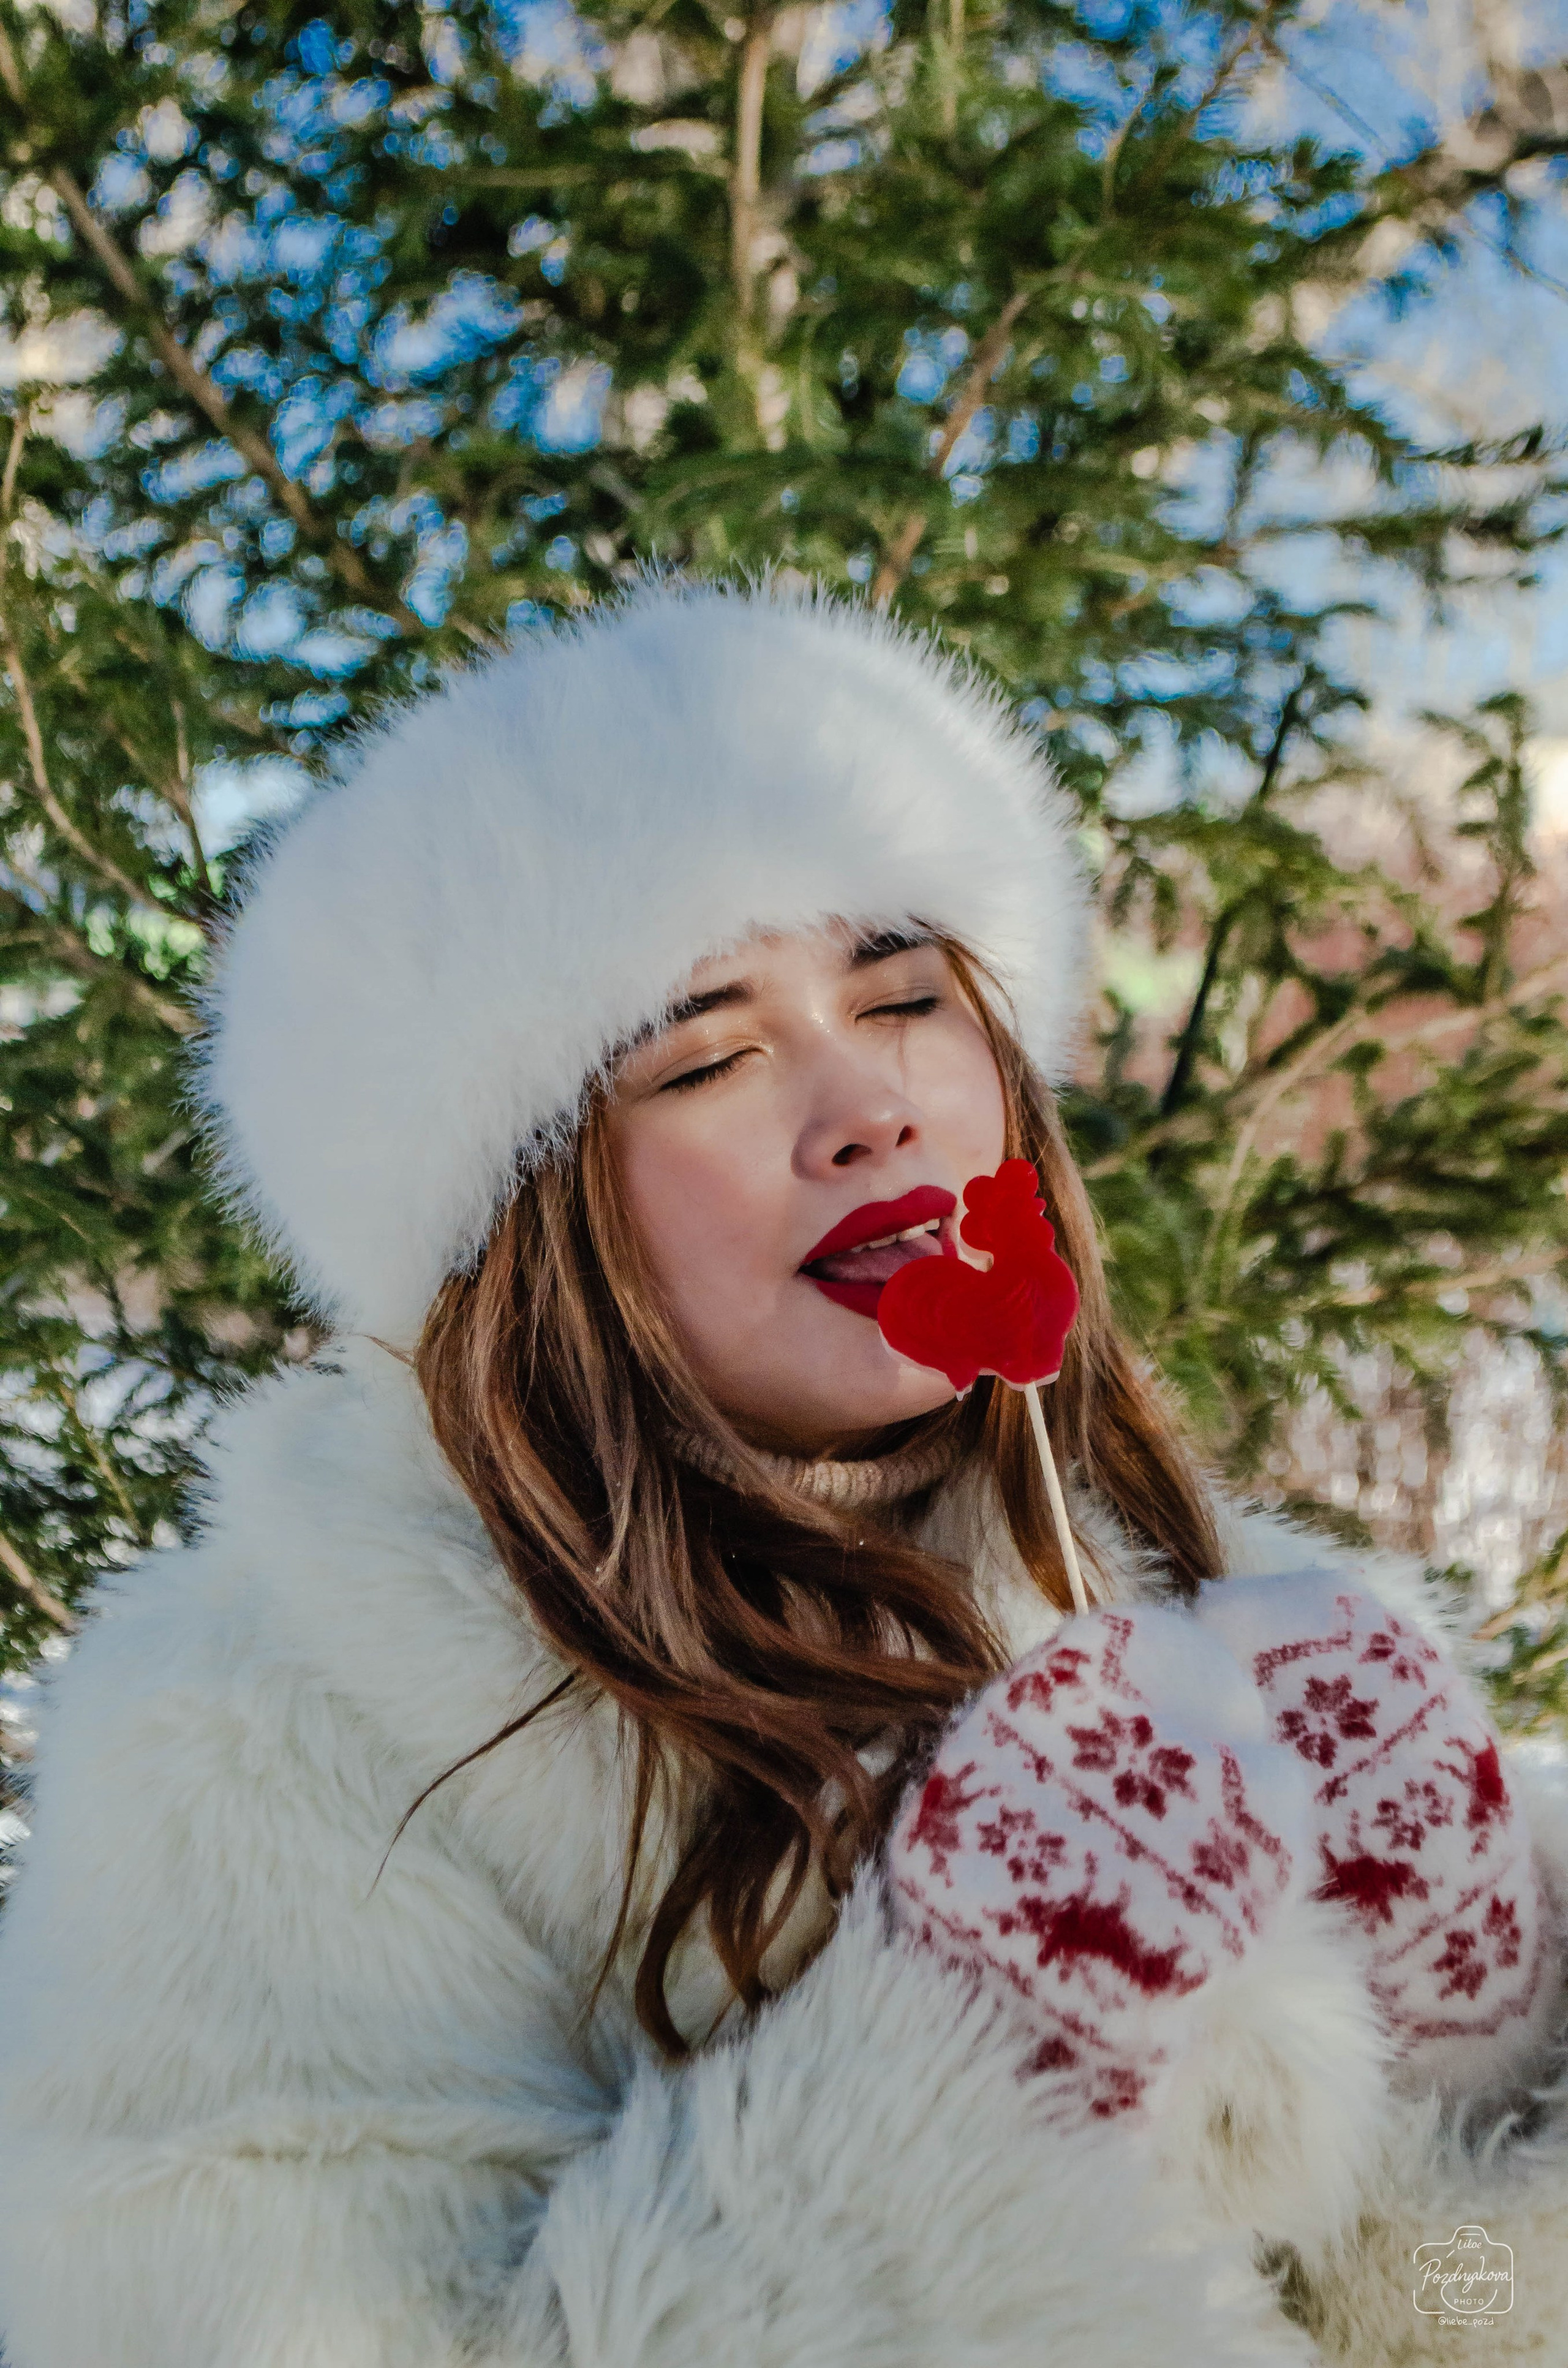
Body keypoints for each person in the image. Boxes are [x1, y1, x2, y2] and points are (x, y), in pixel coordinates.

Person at [1, 578, 1567, 2367]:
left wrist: (1476, 2066)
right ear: (524, 1217)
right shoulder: (267, 1751)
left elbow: (1424, 2331)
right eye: (714, 1054)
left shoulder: (1227, 1632)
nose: (869, 1106)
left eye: (905, 996)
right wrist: (951, 2081)